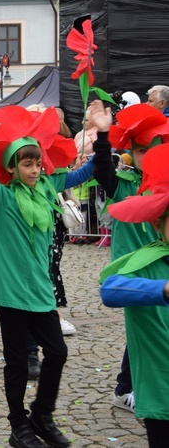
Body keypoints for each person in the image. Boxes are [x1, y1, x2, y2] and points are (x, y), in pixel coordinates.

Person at [0, 104, 86, 448]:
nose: (34, 169)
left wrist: (104, 137)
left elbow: (79, 173)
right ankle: (18, 425)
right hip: (11, 292)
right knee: (18, 362)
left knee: (58, 352)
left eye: (37, 163)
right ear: (12, 167)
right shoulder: (2, 197)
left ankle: (42, 415)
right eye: (26, 163)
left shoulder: (47, 191)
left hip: (40, 290)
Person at [89, 100, 169, 414]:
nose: (148, 157)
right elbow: (102, 170)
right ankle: (127, 388)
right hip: (132, 269)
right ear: (131, 153)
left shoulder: (164, 185)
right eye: (141, 151)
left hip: (159, 263)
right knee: (142, 328)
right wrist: (103, 134)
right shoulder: (122, 186)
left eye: (156, 149)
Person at [99, 142, 169, 447]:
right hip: (162, 392)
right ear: (158, 222)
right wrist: (162, 289)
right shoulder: (145, 264)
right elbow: (110, 290)